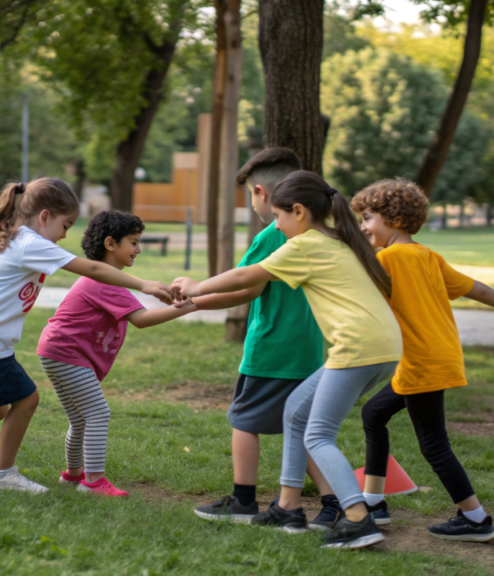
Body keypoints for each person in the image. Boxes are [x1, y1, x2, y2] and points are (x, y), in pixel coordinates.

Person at [0, 177, 174, 494]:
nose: (65, 235)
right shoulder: (30, 242)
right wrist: (145, 284)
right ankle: (1, 475)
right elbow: (92, 269)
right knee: (26, 399)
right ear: (45, 216)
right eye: (65, 225)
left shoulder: (14, 237)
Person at [171, 170, 403, 549]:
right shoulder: (339, 239)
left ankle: (359, 518)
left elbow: (249, 274)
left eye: (279, 217)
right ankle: (287, 507)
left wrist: (197, 286)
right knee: (295, 411)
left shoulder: (306, 244)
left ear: (298, 211)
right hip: (381, 347)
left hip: (358, 348)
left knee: (318, 433)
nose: (276, 225)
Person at [351, 179, 494, 542]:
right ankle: (374, 502)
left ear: (393, 218)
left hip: (420, 363)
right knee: (374, 414)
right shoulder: (428, 256)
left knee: (434, 444)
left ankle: (475, 518)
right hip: (437, 357)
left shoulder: (387, 259)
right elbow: (474, 287)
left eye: (368, 218)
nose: (363, 226)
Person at [189, 149, 340, 531]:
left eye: (253, 200)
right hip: (306, 350)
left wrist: (193, 297)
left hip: (271, 349)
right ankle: (334, 501)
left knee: (243, 420)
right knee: (302, 428)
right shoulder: (317, 235)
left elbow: (244, 288)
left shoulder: (274, 235)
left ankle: (242, 500)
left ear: (261, 192)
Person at [37, 210, 198, 497]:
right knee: (98, 412)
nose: (138, 249)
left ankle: (73, 475)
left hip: (56, 351)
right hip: (67, 353)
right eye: (133, 243)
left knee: (80, 419)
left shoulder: (106, 279)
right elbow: (141, 320)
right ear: (110, 244)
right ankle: (94, 481)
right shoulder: (105, 281)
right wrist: (185, 308)